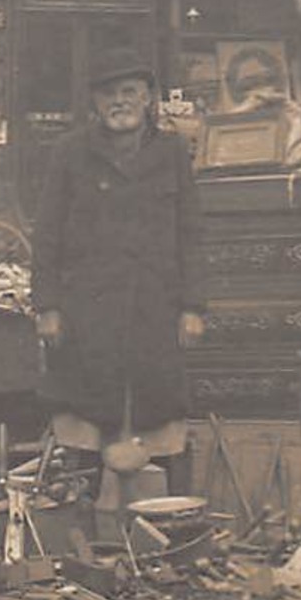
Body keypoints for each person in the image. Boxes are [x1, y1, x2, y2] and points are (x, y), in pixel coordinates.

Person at [31, 53, 206, 484]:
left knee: (158, 417)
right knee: (84, 426)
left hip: (154, 309)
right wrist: (48, 306)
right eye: (109, 94)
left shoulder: (172, 153)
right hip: (87, 313)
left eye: (129, 92)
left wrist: (194, 306)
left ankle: (160, 522)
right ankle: (83, 525)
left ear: (148, 98)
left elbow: (191, 234)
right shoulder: (70, 154)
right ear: (95, 102)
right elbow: (47, 235)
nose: (120, 102)